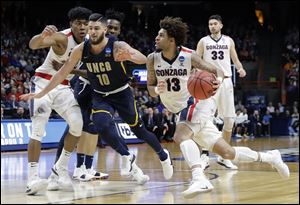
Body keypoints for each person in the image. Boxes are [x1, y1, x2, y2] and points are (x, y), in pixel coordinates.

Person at [21, 13, 173, 185]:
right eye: (90, 28)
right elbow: (62, 72)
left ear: (105, 30)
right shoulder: (79, 47)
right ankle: (73, 168)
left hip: (121, 93)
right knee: (92, 125)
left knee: (137, 131)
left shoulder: (116, 45)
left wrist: (130, 56)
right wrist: (41, 93)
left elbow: (144, 59)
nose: (91, 31)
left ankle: (162, 155)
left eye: (95, 28)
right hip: (97, 92)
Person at [147, 16, 290, 198]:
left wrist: (217, 83)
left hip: (196, 102)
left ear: (172, 40)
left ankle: (199, 178)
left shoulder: (189, 56)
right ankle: (271, 157)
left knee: (180, 135)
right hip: (179, 110)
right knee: (227, 152)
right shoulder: (152, 59)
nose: (156, 38)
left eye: (161, 35)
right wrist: (156, 90)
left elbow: (217, 71)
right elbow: (150, 89)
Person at [22, 7, 92, 195]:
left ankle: (59, 168)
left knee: (78, 124)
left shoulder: (88, 44)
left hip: (63, 87)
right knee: (38, 128)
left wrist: (72, 70)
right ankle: (32, 178)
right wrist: (42, 35)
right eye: (78, 23)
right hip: (43, 82)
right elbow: (33, 45)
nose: (83, 27)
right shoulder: (62, 37)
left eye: (85, 23)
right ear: (71, 24)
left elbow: (91, 72)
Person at [54, 9, 127, 183]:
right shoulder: (90, 42)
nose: (111, 31)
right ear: (102, 27)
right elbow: (90, 72)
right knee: (76, 127)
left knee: (93, 128)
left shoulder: (116, 46)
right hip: (84, 87)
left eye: (115, 29)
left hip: (99, 90)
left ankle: (87, 167)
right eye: (109, 27)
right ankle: (64, 167)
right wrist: (71, 69)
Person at [196, 14, 247, 169]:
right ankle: (204, 155)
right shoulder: (203, 41)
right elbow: (197, 60)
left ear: (221, 25)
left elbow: (234, 58)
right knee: (206, 118)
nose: (212, 26)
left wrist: (240, 68)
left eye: (215, 23)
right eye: (210, 24)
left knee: (229, 120)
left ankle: (223, 156)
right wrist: (197, 76)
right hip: (209, 81)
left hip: (225, 81)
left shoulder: (228, 40)